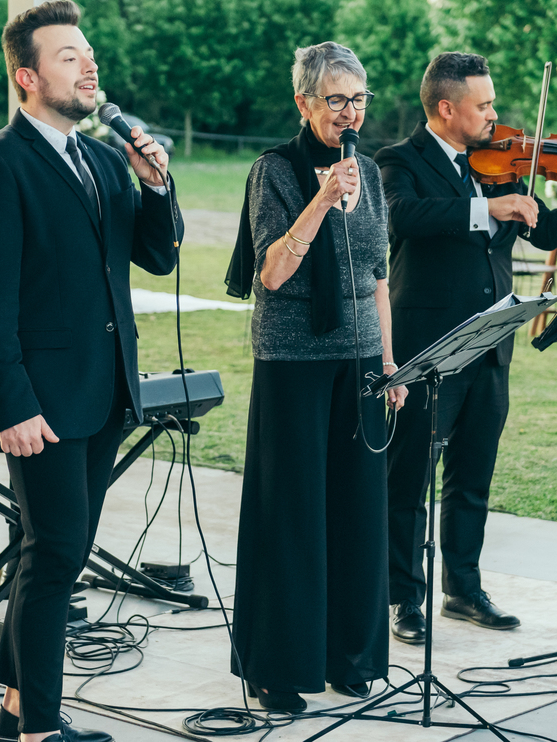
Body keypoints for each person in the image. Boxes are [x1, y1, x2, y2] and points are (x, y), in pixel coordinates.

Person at [0, 0, 182, 742]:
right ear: (26, 76)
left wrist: (155, 184)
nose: (87, 66)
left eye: (88, 54)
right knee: (53, 555)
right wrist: (10, 404)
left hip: (105, 389)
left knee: (60, 551)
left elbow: (158, 254)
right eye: (66, 56)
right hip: (40, 402)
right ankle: (40, 729)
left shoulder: (103, 159)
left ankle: (18, 709)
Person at [375, 52, 557, 645]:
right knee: (410, 479)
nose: (496, 115)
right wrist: (485, 208)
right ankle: (402, 598)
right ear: (447, 109)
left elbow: (544, 229)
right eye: (484, 105)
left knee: (472, 477)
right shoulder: (399, 160)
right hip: (429, 349)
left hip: (492, 345)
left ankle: (463, 591)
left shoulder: (501, 166)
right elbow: (401, 217)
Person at [223, 41, 408, 713]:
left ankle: (348, 655)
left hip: (359, 360)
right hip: (293, 362)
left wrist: (390, 364)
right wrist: (322, 199)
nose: (349, 112)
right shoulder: (274, 170)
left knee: (357, 513)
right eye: (336, 100)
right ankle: (278, 665)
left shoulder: (373, 175)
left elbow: (379, 275)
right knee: (292, 516)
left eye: (358, 99)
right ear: (304, 103)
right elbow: (272, 271)